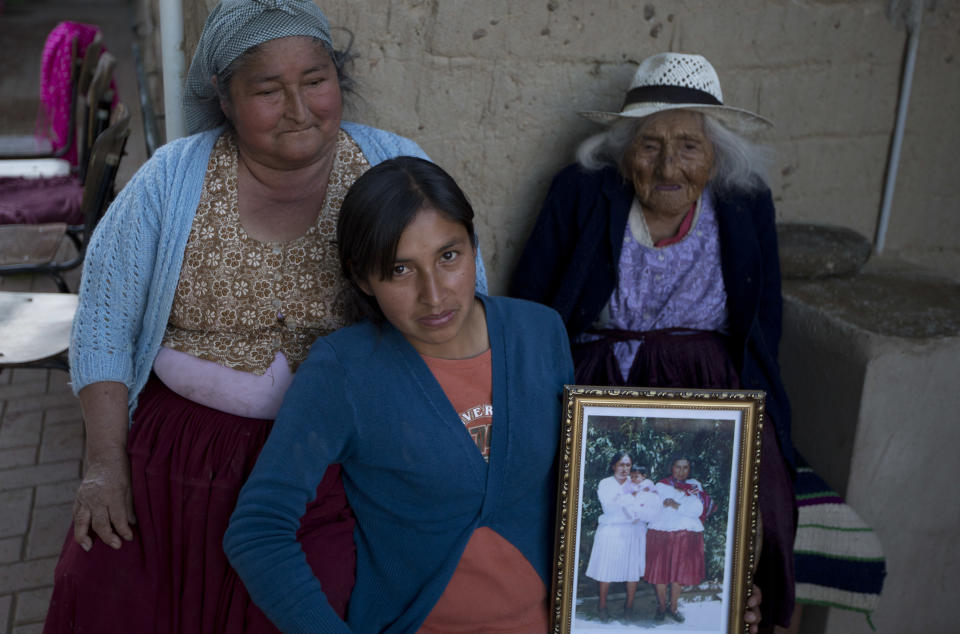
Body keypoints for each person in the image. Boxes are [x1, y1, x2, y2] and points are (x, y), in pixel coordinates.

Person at [44, 1, 484, 631]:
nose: (300, 109)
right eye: (268, 90)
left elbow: (464, 307)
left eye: (315, 81)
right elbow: (104, 328)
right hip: (180, 460)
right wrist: (104, 465)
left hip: (341, 467)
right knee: (111, 597)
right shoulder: (171, 181)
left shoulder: (392, 169)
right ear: (224, 98)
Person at [223, 156, 574, 633]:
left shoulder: (540, 331)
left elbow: (573, 490)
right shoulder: (344, 371)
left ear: (473, 246)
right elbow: (257, 531)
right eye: (400, 270)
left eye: (448, 256)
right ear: (363, 278)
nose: (434, 295)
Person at [510, 51, 796, 630]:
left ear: (715, 154)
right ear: (624, 150)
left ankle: (732, 611)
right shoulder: (581, 192)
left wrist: (754, 406)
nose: (669, 165)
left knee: (764, 501)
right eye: (650, 145)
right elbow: (532, 301)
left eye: (689, 146)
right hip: (597, 377)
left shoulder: (744, 203)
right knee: (559, 502)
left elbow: (765, 313)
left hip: (710, 379)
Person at [645, 456, 715, 621]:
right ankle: (662, 607)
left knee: (679, 574)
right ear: (672, 467)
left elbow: (697, 509)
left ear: (689, 470)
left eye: (685, 468)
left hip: (685, 535)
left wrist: (675, 505)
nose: (681, 471)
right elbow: (653, 506)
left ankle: (674, 608)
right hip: (660, 534)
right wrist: (670, 505)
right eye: (678, 467)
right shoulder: (660, 485)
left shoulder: (694, 485)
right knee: (660, 573)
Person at [584, 453, 646, 623]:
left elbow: (644, 505)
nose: (625, 469)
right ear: (613, 466)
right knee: (606, 571)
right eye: (621, 464)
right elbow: (610, 505)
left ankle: (629, 607)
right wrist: (630, 499)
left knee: (632, 572)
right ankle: (602, 607)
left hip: (632, 532)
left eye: (628, 465)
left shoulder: (636, 482)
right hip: (611, 531)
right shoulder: (605, 484)